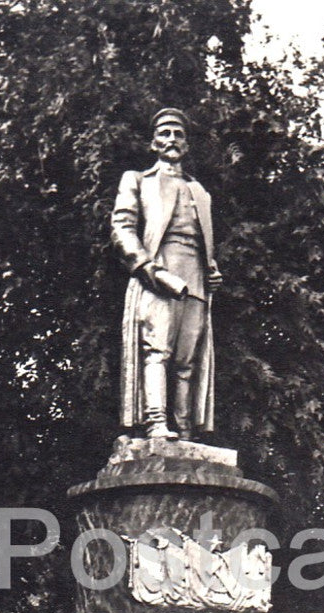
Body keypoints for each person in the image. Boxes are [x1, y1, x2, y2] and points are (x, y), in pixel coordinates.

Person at [111, 108, 222, 440]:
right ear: (154, 142)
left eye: (179, 134)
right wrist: (148, 269)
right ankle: (156, 423)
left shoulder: (199, 191)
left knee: (187, 361)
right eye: (165, 133)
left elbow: (203, 242)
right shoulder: (138, 180)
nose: (172, 139)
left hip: (196, 281)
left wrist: (212, 270)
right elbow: (122, 229)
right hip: (159, 275)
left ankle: (184, 431)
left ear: (186, 144)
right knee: (157, 351)